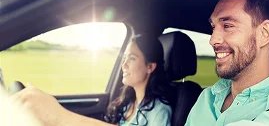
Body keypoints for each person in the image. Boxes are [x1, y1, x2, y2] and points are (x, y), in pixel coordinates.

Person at [10, 35, 172, 126]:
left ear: (150, 67)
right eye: (124, 58)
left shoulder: (160, 111)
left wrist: (58, 115)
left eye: (132, 58)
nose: (124, 64)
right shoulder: (129, 102)